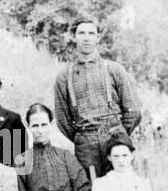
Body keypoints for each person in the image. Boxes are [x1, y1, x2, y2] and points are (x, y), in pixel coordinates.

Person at [54, 16, 142, 177]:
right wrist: (82, 138)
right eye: (81, 33)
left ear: (98, 37)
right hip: (85, 144)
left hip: (115, 137)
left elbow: (134, 110)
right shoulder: (64, 76)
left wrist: (119, 132)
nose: (86, 38)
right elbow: (62, 120)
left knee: (122, 185)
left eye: (91, 33)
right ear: (74, 36)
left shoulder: (114, 69)